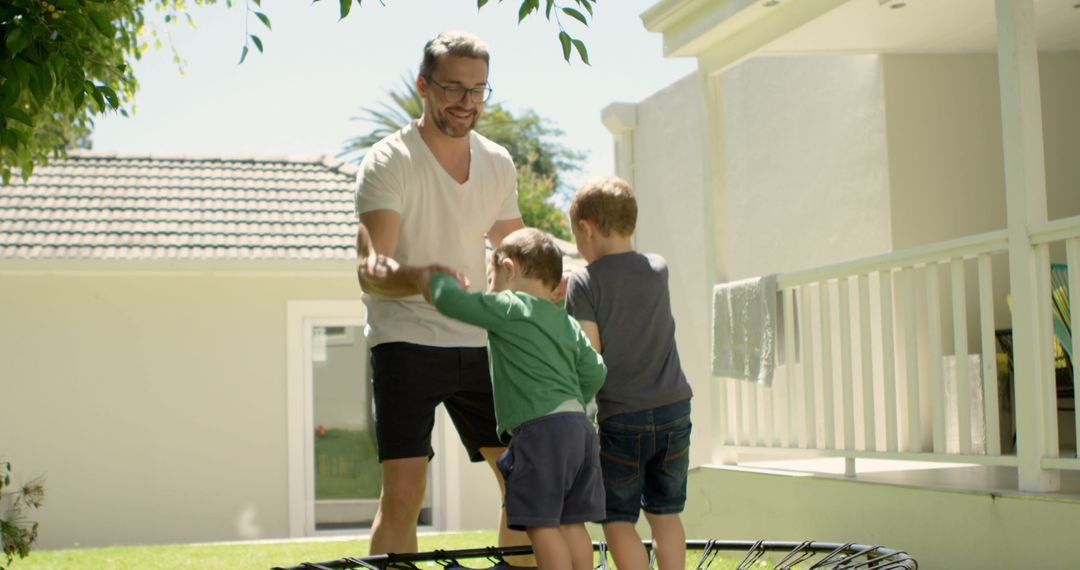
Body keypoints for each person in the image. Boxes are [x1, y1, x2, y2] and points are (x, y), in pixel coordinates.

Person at [352, 30, 527, 557]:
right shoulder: (389, 161)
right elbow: (370, 268)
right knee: (404, 495)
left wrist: (566, 286)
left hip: (481, 342)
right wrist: (422, 279)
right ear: (423, 86)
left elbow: (514, 247)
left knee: (526, 483)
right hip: (405, 340)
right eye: (454, 88)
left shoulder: (496, 161)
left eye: (478, 90)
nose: (467, 102)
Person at [417, 228, 607, 570]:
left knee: (541, 524)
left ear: (509, 268)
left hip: (541, 433)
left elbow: (454, 303)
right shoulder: (564, 321)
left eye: (491, 279)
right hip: (579, 429)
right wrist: (570, 400)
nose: (490, 288)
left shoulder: (510, 305)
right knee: (571, 522)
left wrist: (436, 279)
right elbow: (596, 371)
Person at [564, 176, 695, 570]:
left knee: (618, 519)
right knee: (665, 513)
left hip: (622, 417)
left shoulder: (584, 282)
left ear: (586, 228)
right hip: (675, 409)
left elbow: (590, 356)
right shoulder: (659, 268)